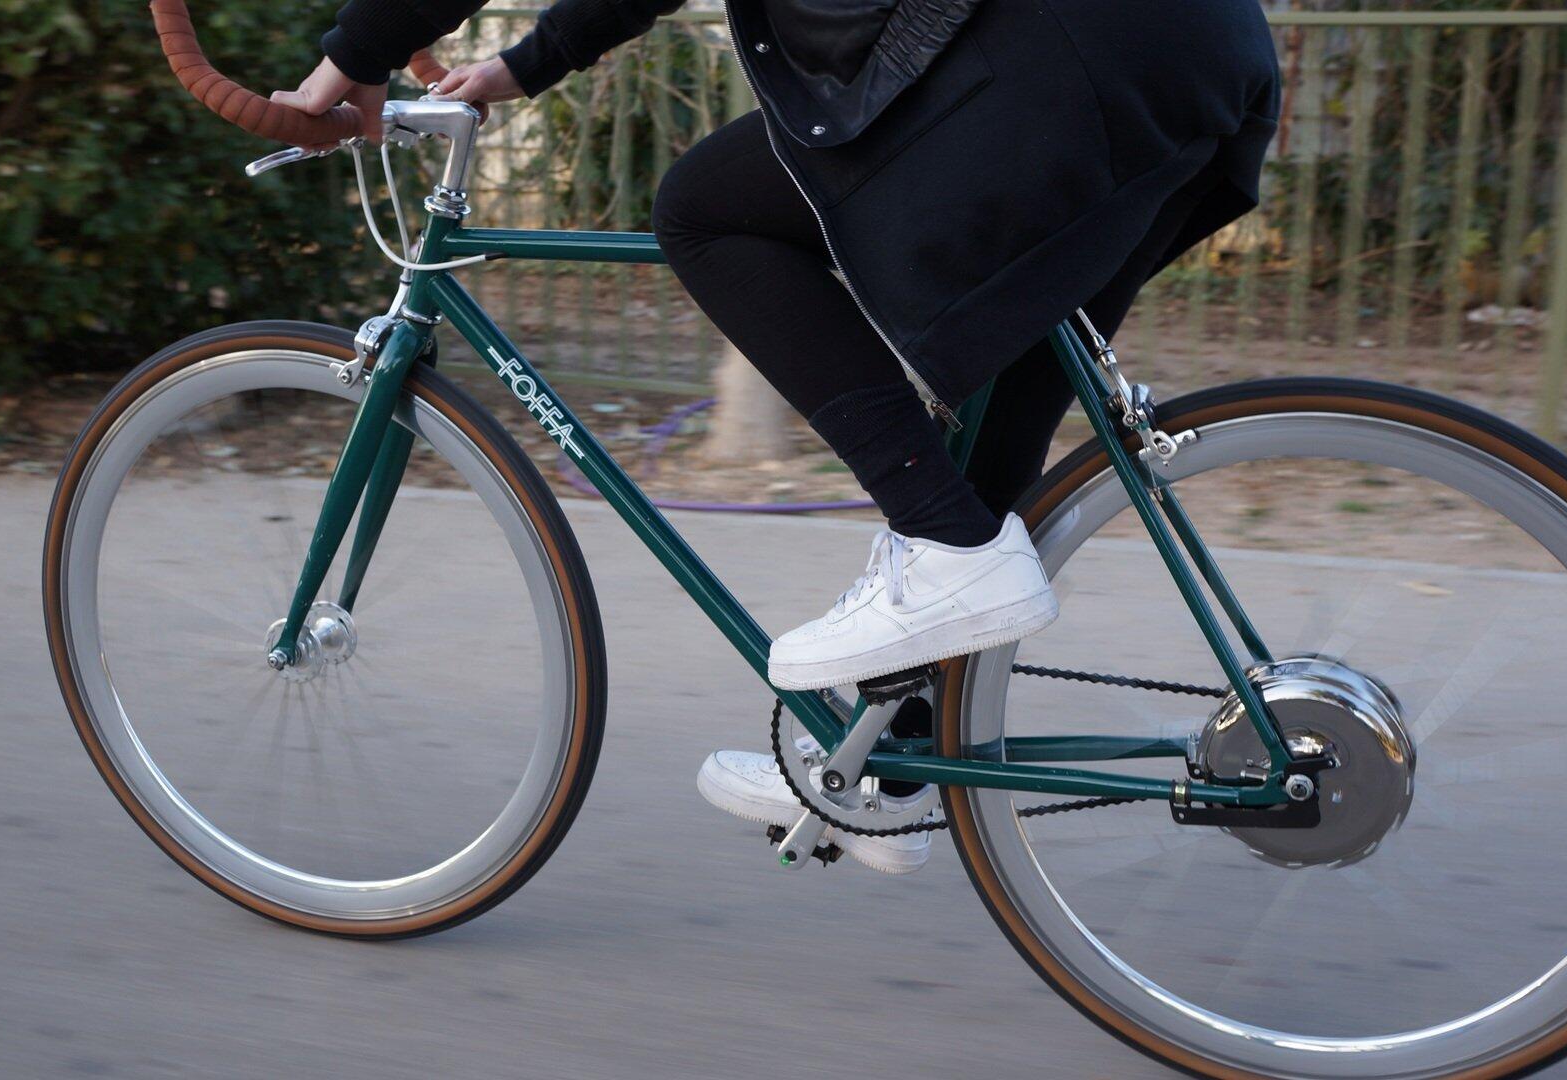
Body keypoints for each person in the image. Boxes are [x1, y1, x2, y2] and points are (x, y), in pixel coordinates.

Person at [278, 0, 1280, 873]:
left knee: (706, 212)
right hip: (1199, 50)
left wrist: (353, 56)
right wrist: (523, 65)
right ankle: (885, 761)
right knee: (1004, 365)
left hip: (1059, 48)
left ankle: (945, 549)